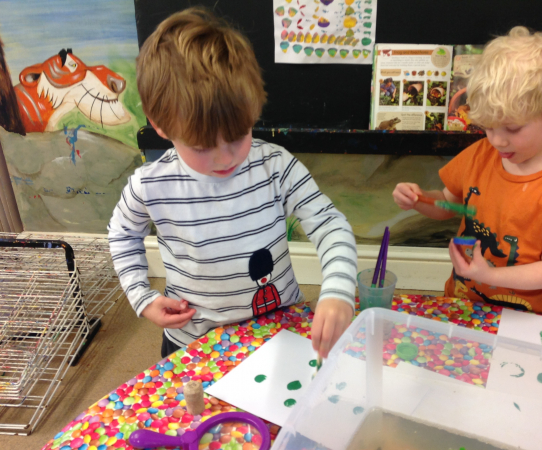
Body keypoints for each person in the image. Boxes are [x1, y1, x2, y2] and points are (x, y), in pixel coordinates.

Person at [108, 8, 357, 358]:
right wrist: (142, 296)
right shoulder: (150, 185)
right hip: (194, 344)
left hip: (280, 332)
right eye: (202, 146)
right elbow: (122, 235)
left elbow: (330, 225)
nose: (226, 158)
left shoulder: (276, 165)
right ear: (160, 126)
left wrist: (338, 289)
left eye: (239, 135)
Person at [392, 27, 542, 318]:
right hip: (462, 302)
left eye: (512, 129)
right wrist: (419, 199)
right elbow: (448, 202)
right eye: (487, 127)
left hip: (524, 315)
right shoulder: (481, 154)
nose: (497, 141)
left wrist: (489, 274)